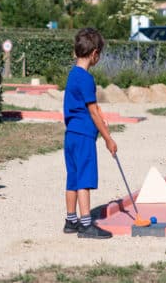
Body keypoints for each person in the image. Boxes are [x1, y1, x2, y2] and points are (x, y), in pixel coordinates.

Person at [62, 27, 118, 239]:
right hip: (84, 136)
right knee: (84, 179)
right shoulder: (86, 78)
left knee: (73, 178)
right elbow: (93, 112)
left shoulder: (73, 75)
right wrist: (108, 138)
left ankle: (70, 220)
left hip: (71, 135)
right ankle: (86, 224)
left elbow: (87, 106)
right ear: (94, 54)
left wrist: (95, 111)